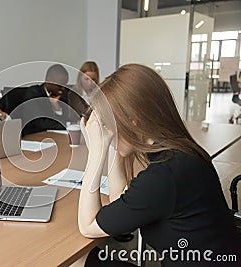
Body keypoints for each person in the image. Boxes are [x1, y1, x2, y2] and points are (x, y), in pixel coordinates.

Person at [77, 64, 240, 266]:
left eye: (109, 123)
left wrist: (96, 152)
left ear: (133, 120)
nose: (106, 130)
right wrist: (113, 142)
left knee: (77, 262)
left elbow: (88, 226)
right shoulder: (180, 153)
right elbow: (120, 205)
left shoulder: (163, 176)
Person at [21, 64, 69, 136]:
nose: (63, 88)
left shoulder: (63, 94)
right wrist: (68, 126)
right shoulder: (33, 94)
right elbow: (41, 123)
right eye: (59, 85)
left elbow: (69, 118)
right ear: (48, 80)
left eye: (65, 85)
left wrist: (57, 108)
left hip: (57, 137)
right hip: (34, 138)